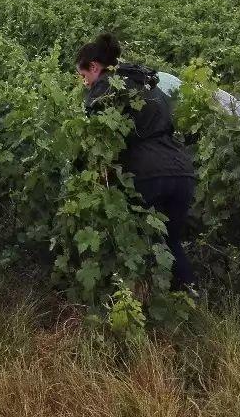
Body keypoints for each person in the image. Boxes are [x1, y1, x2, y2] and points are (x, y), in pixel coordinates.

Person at [76, 32, 198, 292]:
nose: (85, 83)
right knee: (171, 244)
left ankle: (138, 304)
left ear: (95, 67)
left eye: (84, 76)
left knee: (138, 244)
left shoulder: (105, 88)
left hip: (147, 175)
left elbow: (99, 143)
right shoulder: (145, 81)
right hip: (182, 170)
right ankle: (191, 299)